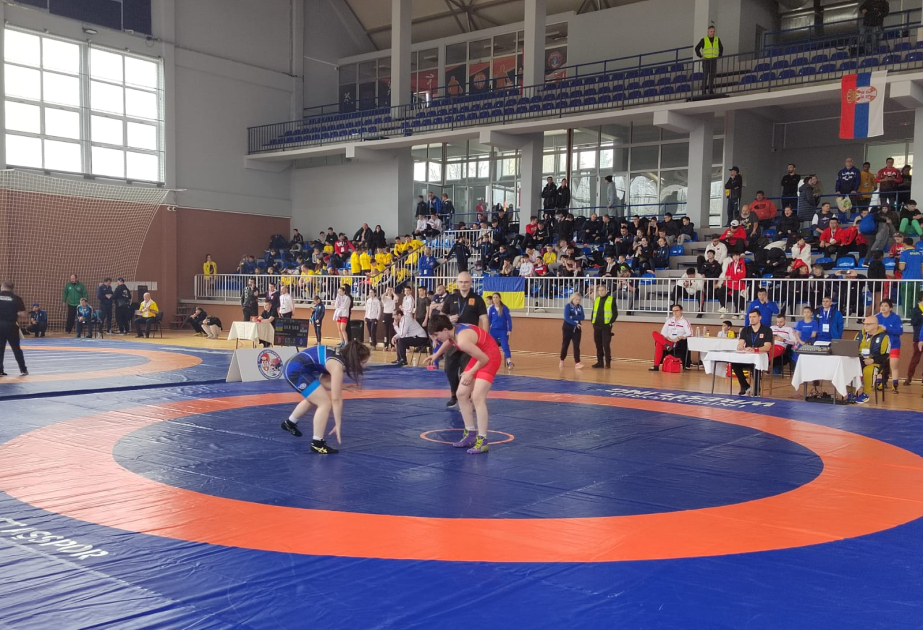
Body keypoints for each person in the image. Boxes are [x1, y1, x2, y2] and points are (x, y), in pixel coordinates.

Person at [425, 314, 501, 455]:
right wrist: (436, 354)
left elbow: (484, 359)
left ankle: (483, 440)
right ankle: (470, 434)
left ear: (445, 330)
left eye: (436, 335)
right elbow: (450, 341)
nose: (436, 338)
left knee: (477, 397)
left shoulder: (463, 340)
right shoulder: (452, 330)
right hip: (479, 355)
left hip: (490, 356)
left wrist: (471, 372)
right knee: (461, 394)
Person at [280, 340, 370, 454]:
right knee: (325, 403)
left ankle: (289, 423)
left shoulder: (337, 358)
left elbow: (324, 381)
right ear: (355, 359)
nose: (364, 366)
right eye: (363, 362)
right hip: (295, 370)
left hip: (296, 367)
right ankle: (317, 443)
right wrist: (338, 423)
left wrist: (344, 386)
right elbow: (336, 399)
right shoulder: (336, 366)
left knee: (316, 397)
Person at [439, 271, 489, 409]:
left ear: (471, 283)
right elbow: (441, 317)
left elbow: (484, 320)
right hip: (453, 340)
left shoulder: (477, 299)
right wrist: (448, 319)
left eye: (466, 282)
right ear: (457, 283)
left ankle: (465, 396)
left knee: (466, 370)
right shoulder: (451, 298)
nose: (463, 284)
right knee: (449, 368)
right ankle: (454, 394)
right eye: (461, 282)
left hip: (470, 341)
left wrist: (484, 339)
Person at [732, 309, 773, 396]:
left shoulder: (767, 330)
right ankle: (744, 386)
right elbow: (741, 342)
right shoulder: (745, 330)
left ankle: (756, 390)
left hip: (760, 355)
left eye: (754, 317)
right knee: (734, 364)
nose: (751, 319)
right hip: (748, 356)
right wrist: (740, 346)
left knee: (755, 365)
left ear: (760, 317)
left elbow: (767, 347)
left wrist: (755, 349)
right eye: (750, 317)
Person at [854, 316, 891, 404]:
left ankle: (865, 394)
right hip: (859, 360)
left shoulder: (884, 337)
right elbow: (852, 347)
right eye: (864, 324)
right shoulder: (859, 334)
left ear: (875, 325)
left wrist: (872, 360)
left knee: (868, 370)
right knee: (849, 368)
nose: (865, 326)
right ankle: (851, 393)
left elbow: (885, 356)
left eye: (868, 324)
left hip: (875, 362)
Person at [650, 304, 692, 371]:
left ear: (681, 311)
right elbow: (663, 332)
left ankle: (656, 366)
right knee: (654, 333)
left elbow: (689, 333)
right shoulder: (669, 320)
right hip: (668, 341)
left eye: (676, 310)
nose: (675, 312)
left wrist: (679, 337)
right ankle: (666, 345)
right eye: (673, 311)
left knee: (659, 343)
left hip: (677, 342)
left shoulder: (684, 321)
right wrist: (667, 338)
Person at [0, 281, 28, 376]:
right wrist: (14, 312)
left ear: (2, 287)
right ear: (12, 288)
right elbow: (23, 314)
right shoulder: (17, 299)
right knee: (16, 348)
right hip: (11, 325)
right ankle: (23, 370)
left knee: (0, 348)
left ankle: (0, 370)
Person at [876, 299, 904, 393]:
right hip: (881, 346)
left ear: (891, 308)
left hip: (894, 345)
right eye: (881, 306)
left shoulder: (896, 318)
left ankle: (895, 385)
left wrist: (887, 329)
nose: (883, 308)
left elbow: (900, 331)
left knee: (893, 366)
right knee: (879, 365)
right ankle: (879, 383)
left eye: (886, 306)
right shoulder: (877, 317)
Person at [591, 283, 617, 369]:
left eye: (602, 290)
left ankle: (608, 362)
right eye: (599, 290)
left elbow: (615, 313)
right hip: (597, 325)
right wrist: (592, 322)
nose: (601, 292)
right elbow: (593, 311)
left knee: (606, 344)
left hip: (606, 326)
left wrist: (610, 323)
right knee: (598, 345)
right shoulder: (597, 300)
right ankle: (600, 362)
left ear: (606, 291)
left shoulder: (611, 299)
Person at [694, 25, 723, 95]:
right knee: (705, 76)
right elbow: (697, 48)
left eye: (713, 31)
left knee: (712, 76)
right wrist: (701, 56)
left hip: (713, 60)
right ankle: (703, 91)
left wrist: (719, 55)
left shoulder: (717, 39)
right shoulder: (704, 40)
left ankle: (710, 91)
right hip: (706, 60)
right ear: (708, 32)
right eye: (711, 31)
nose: (712, 33)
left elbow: (721, 48)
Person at [488, 293, 513, 369]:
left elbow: (509, 319)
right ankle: (491, 361)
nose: (495, 299)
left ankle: (509, 362)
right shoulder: (491, 308)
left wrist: (509, 330)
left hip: (503, 330)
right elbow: (489, 320)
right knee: (490, 346)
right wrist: (487, 329)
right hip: (493, 330)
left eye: (496, 297)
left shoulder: (504, 308)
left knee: (505, 346)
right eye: (493, 297)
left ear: (499, 298)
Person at [903, 290, 923, 386]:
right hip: (918, 337)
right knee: (915, 358)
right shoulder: (915, 309)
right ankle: (909, 377)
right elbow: (914, 322)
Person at [560, 291, 585, 369]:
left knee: (576, 346)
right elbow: (567, 318)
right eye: (576, 299)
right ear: (572, 299)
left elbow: (582, 317)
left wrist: (573, 317)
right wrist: (575, 323)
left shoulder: (580, 307)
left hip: (577, 329)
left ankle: (577, 362)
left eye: (579, 300)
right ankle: (562, 359)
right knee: (565, 344)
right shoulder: (568, 306)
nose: (578, 301)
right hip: (568, 328)